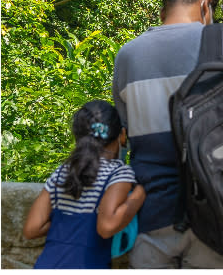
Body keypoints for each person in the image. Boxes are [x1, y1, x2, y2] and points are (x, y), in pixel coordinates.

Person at [112, 0, 223, 268]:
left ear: (162, 10)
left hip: (151, 217)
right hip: (218, 215)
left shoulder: (127, 56)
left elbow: (125, 137)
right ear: (206, 5)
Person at [23, 100, 145, 268]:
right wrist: (139, 195)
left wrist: (66, 223)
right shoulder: (118, 173)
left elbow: (32, 229)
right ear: (122, 135)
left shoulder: (63, 171)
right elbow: (107, 226)